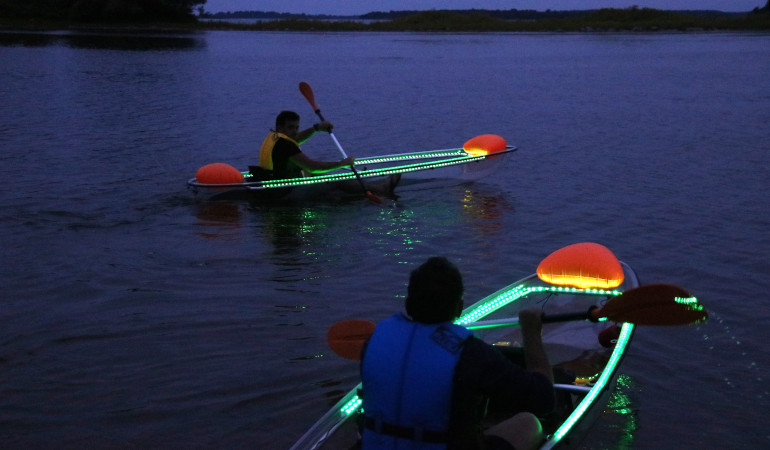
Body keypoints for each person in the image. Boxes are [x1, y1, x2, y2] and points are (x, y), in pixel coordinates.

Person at [360, 257, 555, 450]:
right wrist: (531, 332)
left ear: (407, 303)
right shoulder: (470, 353)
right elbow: (545, 399)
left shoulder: (373, 343)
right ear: (460, 307)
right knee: (529, 423)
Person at [253, 110, 353, 180]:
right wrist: (341, 164)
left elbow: (296, 139)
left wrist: (316, 128)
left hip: (269, 179)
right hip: (284, 190)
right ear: (280, 127)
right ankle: (366, 190)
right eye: (291, 127)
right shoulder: (286, 145)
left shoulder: (274, 136)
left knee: (317, 174)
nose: (295, 131)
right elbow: (312, 166)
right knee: (335, 181)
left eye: (297, 128)